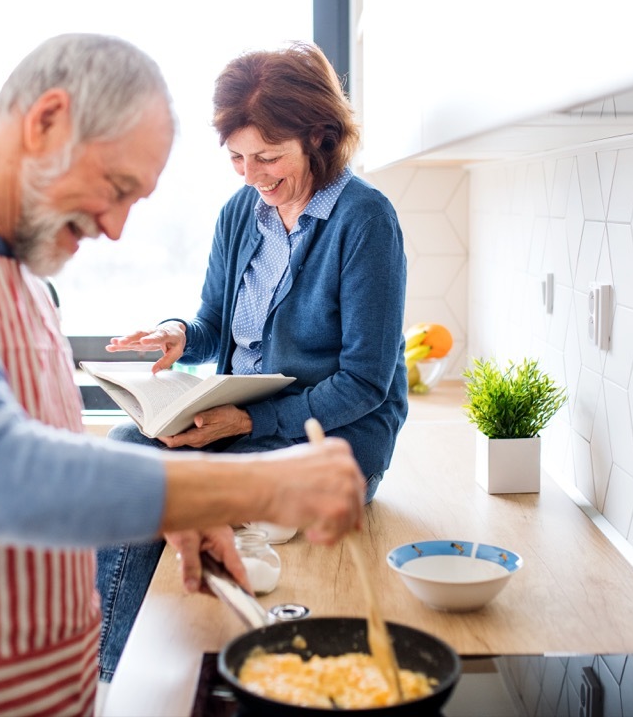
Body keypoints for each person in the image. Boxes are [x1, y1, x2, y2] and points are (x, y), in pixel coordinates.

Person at [0, 33, 366, 717]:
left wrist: (177, 507)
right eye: (117, 188)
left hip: (25, 686)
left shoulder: (18, 271)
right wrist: (252, 484)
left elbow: (37, 453)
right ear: (47, 119)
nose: (115, 228)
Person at [97, 41, 408, 682]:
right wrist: (179, 334)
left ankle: (113, 676)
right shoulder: (242, 212)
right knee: (128, 444)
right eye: (237, 158)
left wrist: (244, 422)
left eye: (269, 157)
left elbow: (365, 382)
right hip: (243, 419)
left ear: (319, 138)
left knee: (154, 476)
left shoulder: (366, 220)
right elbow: (217, 323)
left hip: (335, 436)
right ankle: (112, 673)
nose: (252, 175)